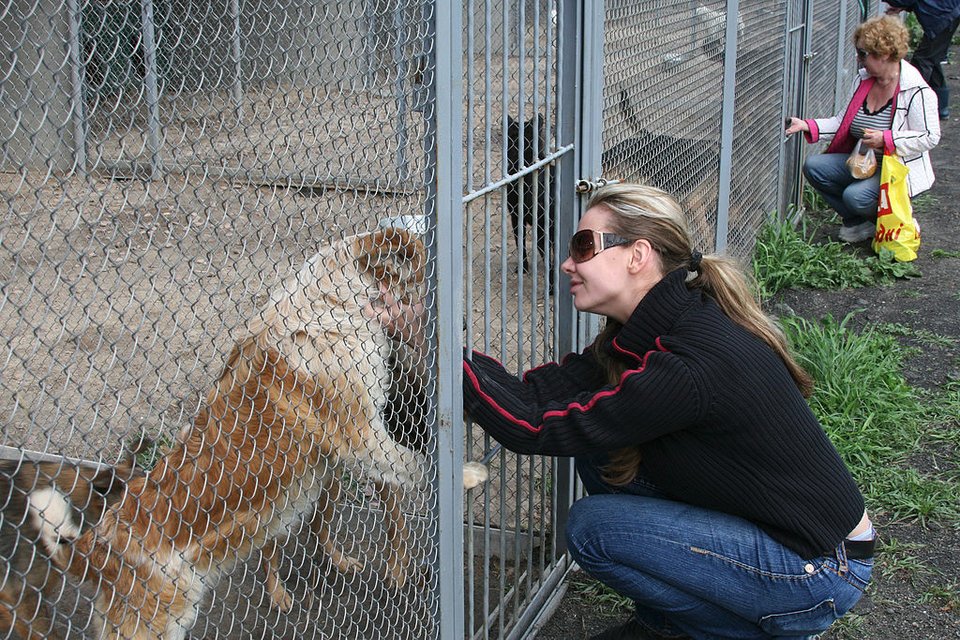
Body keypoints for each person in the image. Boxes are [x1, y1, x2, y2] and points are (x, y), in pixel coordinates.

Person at [456, 183, 874, 639]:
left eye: (583, 246)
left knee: (593, 529)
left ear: (638, 255)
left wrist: (440, 354)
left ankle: (726, 630)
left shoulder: (686, 362)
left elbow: (534, 428)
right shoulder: (653, 326)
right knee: (602, 458)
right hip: (789, 535)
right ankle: (673, 623)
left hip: (820, 568)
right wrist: (434, 342)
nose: (567, 263)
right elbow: (537, 394)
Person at [786, 15, 940, 244]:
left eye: (862, 53)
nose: (858, 59)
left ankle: (900, 222)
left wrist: (886, 138)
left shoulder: (916, 91)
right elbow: (844, 122)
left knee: (855, 196)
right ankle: (860, 222)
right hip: (863, 162)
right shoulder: (863, 81)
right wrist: (807, 125)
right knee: (815, 167)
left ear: (884, 54)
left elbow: (930, 136)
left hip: (894, 169)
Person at [885, 0, 960, 120]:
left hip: (943, 14)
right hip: (947, 11)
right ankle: (941, 107)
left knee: (922, 61)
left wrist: (900, 3)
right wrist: (902, 5)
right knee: (930, 58)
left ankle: (908, 103)